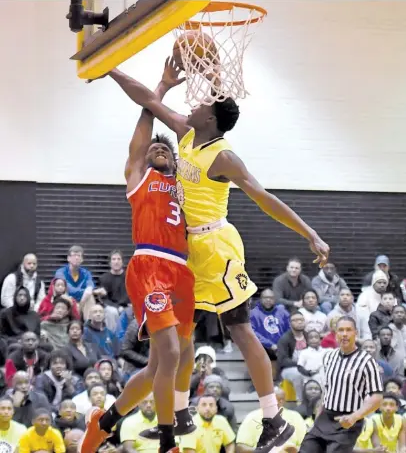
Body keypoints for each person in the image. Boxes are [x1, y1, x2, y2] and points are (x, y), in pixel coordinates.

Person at [106, 57, 330, 452]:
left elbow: (264, 198)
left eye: (201, 105)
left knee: (240, 329)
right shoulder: (187, 134)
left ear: (211, 119)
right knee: (182, 332)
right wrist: (110, 69)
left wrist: (310, 232)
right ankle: (179, 413)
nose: (193, 106)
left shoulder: (225, 157)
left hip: (217, 248)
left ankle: (273, 418)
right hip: (188, 252)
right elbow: (147, 100)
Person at [80, 59, 195, 453]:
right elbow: (145, 125)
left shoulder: (182, 184)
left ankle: (106, 421)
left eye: (167, 147)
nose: (159, 148)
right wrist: (160, 89)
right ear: (144, 157)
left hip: (182, 272)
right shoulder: (138, 175)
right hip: (150, 266)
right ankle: (168, 444)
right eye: (154, 148)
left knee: (163, 366)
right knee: (172, 354)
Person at [298, 316, 383, 453]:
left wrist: (354, 417)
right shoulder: (329, 357)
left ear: (356, 333)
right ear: (335, 334)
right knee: (306, 450)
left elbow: (377, 397)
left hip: (348, 420)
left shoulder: (367, 361)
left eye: (348, 330)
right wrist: (318, 416)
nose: (344, 334)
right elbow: (328, 389)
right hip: (325, 417)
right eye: (341, 330)